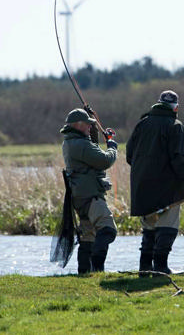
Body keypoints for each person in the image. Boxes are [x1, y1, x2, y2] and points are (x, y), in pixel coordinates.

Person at [127, 90, 184, 275]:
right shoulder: (176, 126)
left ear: (158, 103)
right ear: (176, 107)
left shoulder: (142, 124)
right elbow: (179, 162)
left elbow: (130, 156)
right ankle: (161, 267)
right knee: (167, 226)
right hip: (167, 189)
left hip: (142, 187)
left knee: (149, 228)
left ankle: (145, 268)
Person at [60, 107, 118, 273]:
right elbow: (104, 160)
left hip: (80, 195)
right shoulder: (79, 144)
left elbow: (91, 146)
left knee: (88, 235)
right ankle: (97, 269)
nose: (90, 127)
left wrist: (91, 118)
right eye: (87, 124)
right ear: (78, 125)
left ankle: (84, 271)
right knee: (108, 229)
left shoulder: (72, 141)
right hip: (90, 195)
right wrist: (112, 146)